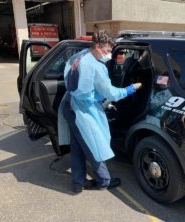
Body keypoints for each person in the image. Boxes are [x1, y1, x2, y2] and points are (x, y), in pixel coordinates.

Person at [58, 30, 142, 194]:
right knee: (93, 144)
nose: (109, 55)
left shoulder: (80, 55)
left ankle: (78, 182)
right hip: (81, 110)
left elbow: (69, 73)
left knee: (77, 145)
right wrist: (129, 89)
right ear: (97, 46)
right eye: (107, 51)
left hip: (69, 104)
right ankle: (104, 181)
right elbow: (111, 93)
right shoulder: (97, 67)